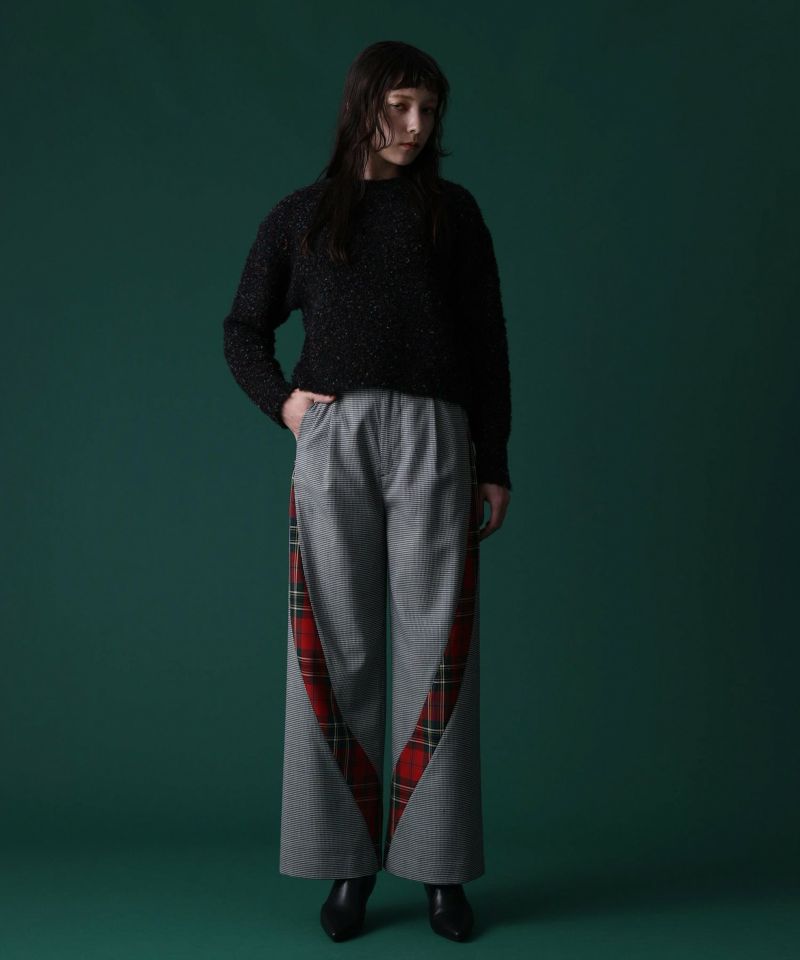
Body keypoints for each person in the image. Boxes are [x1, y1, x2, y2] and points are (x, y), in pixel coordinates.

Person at [222, 40, 512, 943]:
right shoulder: (301, 216)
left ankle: (439, 871)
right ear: (362, 105)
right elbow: (243, 328)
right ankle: (346, 866)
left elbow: (488, 340)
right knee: (331, 647)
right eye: (399, 106)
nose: (416, 126)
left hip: (437, 437)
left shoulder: (453, 215)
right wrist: (284, 405)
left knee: (440, 648)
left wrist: (495, 461)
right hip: (334, 437)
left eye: (428, 109)